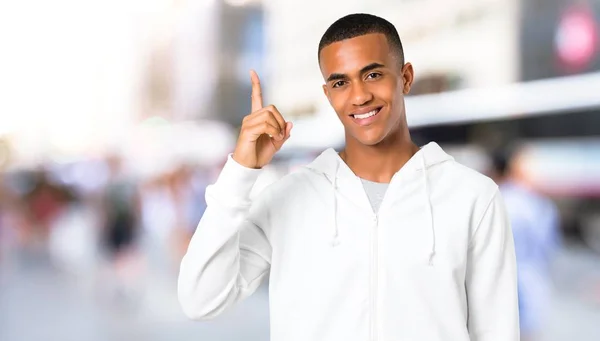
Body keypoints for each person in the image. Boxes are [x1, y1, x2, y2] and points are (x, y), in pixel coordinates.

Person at [178, 13, 519, 341]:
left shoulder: (472, 197)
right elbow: (200, 299)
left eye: (373, 75)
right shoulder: (287, 199)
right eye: (341, 82)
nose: (359, 96)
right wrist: (240, 171)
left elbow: (497, 331)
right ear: (328, 94)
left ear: (405, 77)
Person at [490, 146, 560, 341]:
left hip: (500, 293)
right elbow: (550, 248)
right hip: (533, 287)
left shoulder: (492, 200)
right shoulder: (540, 204)